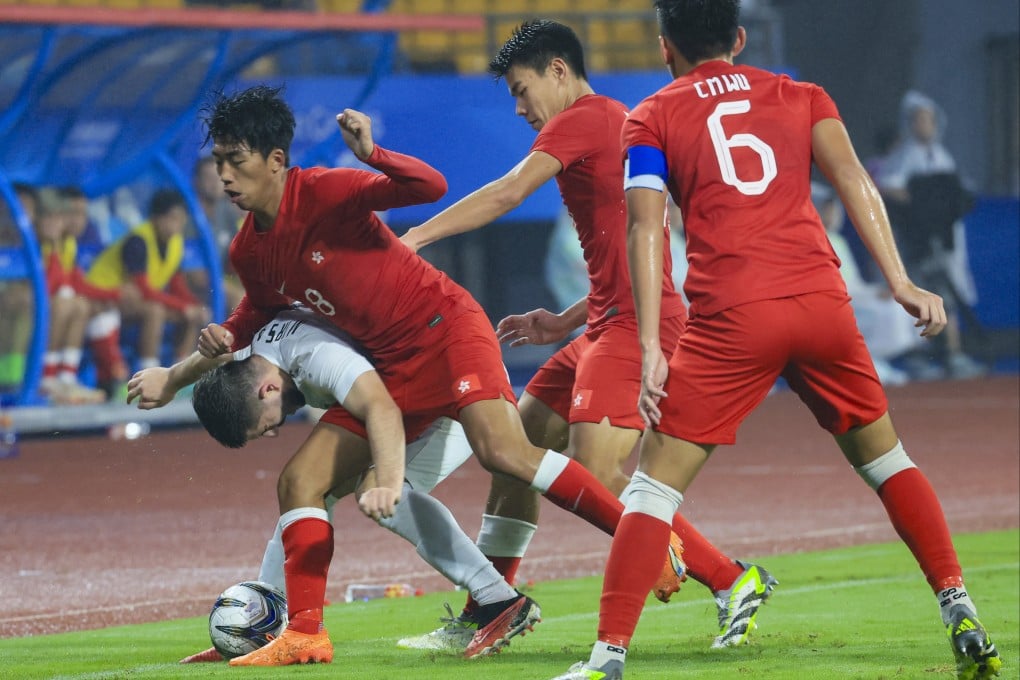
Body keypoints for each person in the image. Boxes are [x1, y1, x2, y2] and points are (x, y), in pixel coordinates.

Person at [553, 3, 1001, 680]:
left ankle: (606, 658)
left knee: (650, 491)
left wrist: (649, 345)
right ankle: (957, 604)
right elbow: (854, 179)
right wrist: (901, 280)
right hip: (820, 302)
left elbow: (645, 229)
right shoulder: (804, 95)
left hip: (734, 315)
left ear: (665, 46)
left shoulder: (650, 117)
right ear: (738, 37)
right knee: (888, 462)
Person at [194, 85, 677, 667]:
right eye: (218, 160)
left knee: (504, 454)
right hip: (393, 366)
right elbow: (260, 307)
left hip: (446, 331)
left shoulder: (322, 189)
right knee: (301, 481)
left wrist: (374, 154)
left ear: (275, 159)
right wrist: (224, 337)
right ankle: (302, 630)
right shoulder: (248, 250)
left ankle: (643, 536)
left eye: (235, 159)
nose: (224, 174)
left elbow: (429, 187)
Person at [400, 19, 774, 653]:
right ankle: (494, 605)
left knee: (593, 470)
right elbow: (626, 254)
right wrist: (564, 320)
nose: (520, 109)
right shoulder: (609, 121)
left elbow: (508, 193)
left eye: (522, 91)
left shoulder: (585, 116)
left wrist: (415, 237)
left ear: (558, 71)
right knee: (514, 454)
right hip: (605, 321)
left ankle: (729, 577)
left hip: (634, 328)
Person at [127, 306, 535, 662]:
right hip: (413, 385)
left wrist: (385, 478)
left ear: (266, 389)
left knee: (368, 490)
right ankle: (264, 623)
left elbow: (380, 407)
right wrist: (171, 379)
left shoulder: (319, 357)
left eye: (263, 426)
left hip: (453, 387)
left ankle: (498, 598)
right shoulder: (254, 357)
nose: (273, 432)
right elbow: (215, 357)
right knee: (309, 490)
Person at [876, 90, 985, 381]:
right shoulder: (904, 156)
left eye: (928, 119)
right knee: (921, 295)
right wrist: (920, 211)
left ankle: (953, 355)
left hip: (946, 240)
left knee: (948, 295)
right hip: (917, 243)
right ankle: (922, 356)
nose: (924, 125)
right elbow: (888, 188)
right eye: (918, 120)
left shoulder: (942, 156)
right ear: (910, 123)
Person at [84, 188, 211, 398]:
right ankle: (147, 377)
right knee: (155, 311)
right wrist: (183, 306)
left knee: (190, 314)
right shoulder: (138, 241)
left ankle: (182, 374)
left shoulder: (176, 242)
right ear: (156, 218)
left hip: (134, 301)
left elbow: (176, 284)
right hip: (106, 296)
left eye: (181, 219)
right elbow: (144, 290)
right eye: (172, 218)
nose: (177, 224)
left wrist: (192, 306)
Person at [813, 181, 917, 386]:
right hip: (831, 305)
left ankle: (873, 362)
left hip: (855, 298)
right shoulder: (811, 241)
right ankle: (863, 365)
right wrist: (869, 296)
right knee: (887, 311)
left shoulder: (838, 240)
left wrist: (877, 291)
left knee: (904, 306)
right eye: (826, 209)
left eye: (833, 208)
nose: (831, 214)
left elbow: (855, 282)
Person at [32, 188, 106, 404]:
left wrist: (114, 295)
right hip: (31, 307)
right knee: (64, 304)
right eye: (49, 218)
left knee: (81, 305)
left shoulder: (66, 243)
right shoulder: (34, 243)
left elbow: (73, 281)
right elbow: (47, 285)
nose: (55, 224)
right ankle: (47, 377)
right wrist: (54, 251)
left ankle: (66, 377)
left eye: (59, 218)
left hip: (49, 305)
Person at [191, 155, 245, 313]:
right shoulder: (189, 217)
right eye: (208, 178)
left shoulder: (226, 211)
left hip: (217, 281)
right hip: (192, 286)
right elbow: (195, 277)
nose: (215, 183)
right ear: (197, 182)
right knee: (239, 298)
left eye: (219, 177)